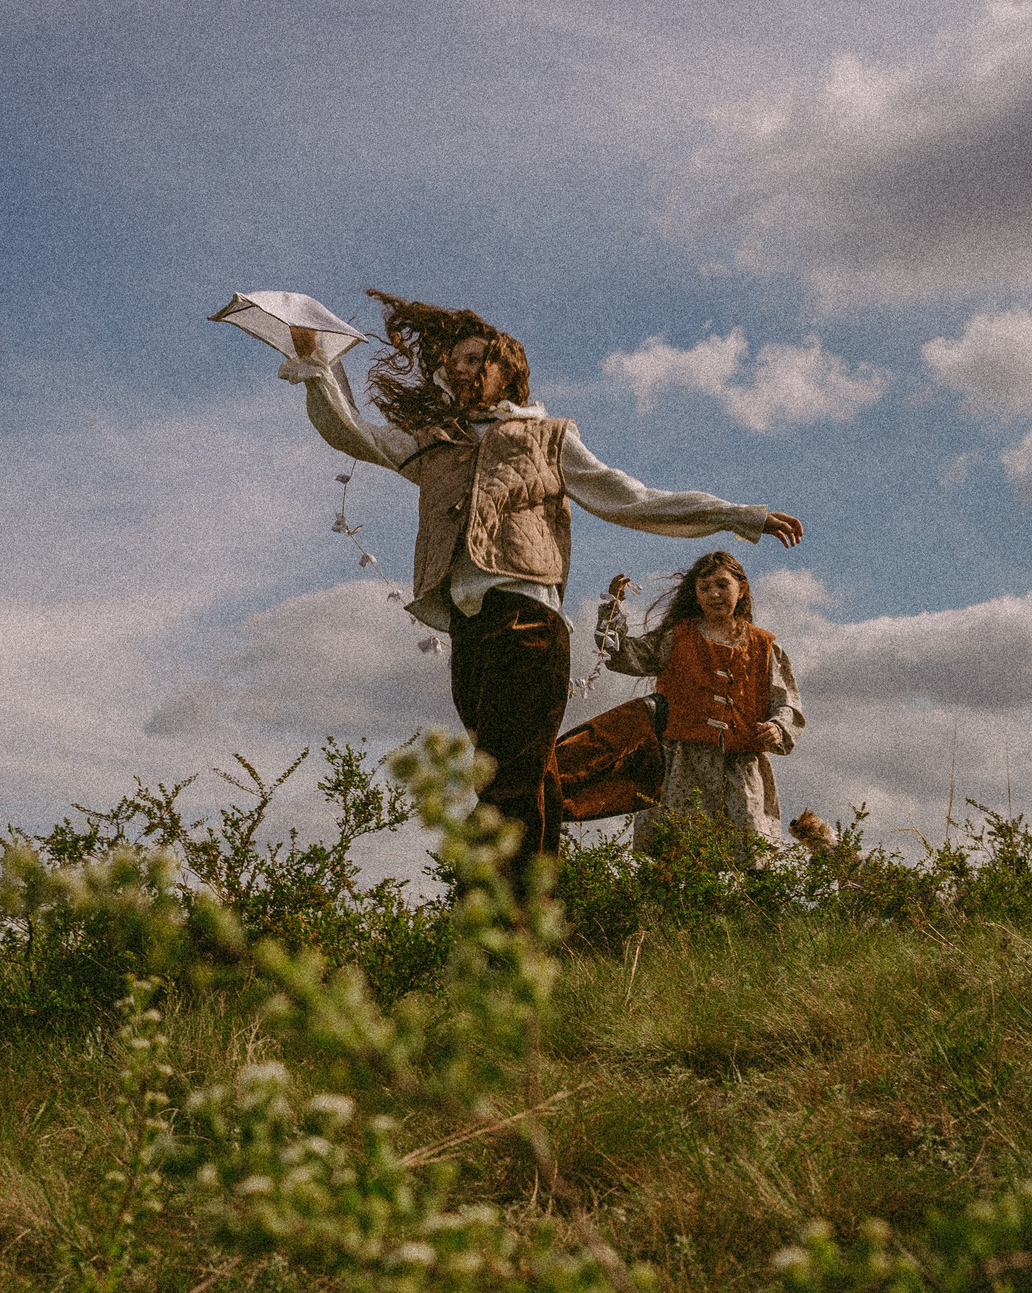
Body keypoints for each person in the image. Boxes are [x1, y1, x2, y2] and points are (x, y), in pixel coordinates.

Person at [278, 291, 803, 876]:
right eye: (456, 360)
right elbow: (352, 433)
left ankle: (510, 915)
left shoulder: (549, 439)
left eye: (478, 358)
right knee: (511, 774)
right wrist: (315, 363)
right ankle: (601, 806)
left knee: (508, 779)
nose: (463, 368)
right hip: (470, 629)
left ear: (510, 370)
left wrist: (735, 514)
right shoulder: (437, 445)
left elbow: (632, 500)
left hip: (528, 621)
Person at [594, 551, 804, 855]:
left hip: (741, 766)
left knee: (750, 857)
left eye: (722, 584)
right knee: (677, 857)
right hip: (681, 764)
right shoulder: (675, 637)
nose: (713, 594)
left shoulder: (765, 645)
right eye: (704, 587)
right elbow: (623, 655)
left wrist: (777, 728)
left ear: (741, 588)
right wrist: (612, 609)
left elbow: (786, 702)